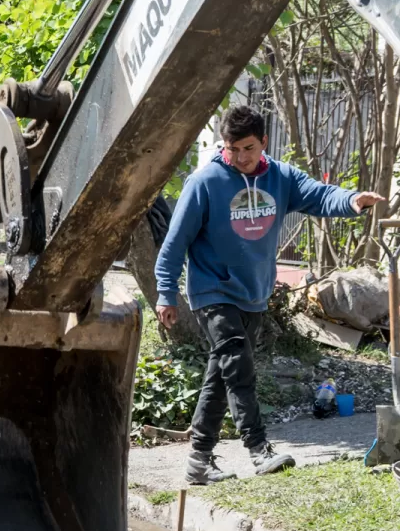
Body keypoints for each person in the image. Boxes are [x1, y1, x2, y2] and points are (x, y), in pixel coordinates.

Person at [156, 105, 385, 485]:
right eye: (233, 149)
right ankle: (258, 448)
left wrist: (351, 201)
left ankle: (199, 459)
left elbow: (318, 195)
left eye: (248, 148)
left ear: (263, 142)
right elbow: (174, 243)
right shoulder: (205, 182)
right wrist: (166, 291)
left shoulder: (280, 177)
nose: (241, 158)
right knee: (239, 367)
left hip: (254, 292)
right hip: (213, 290)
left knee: (221, 374)